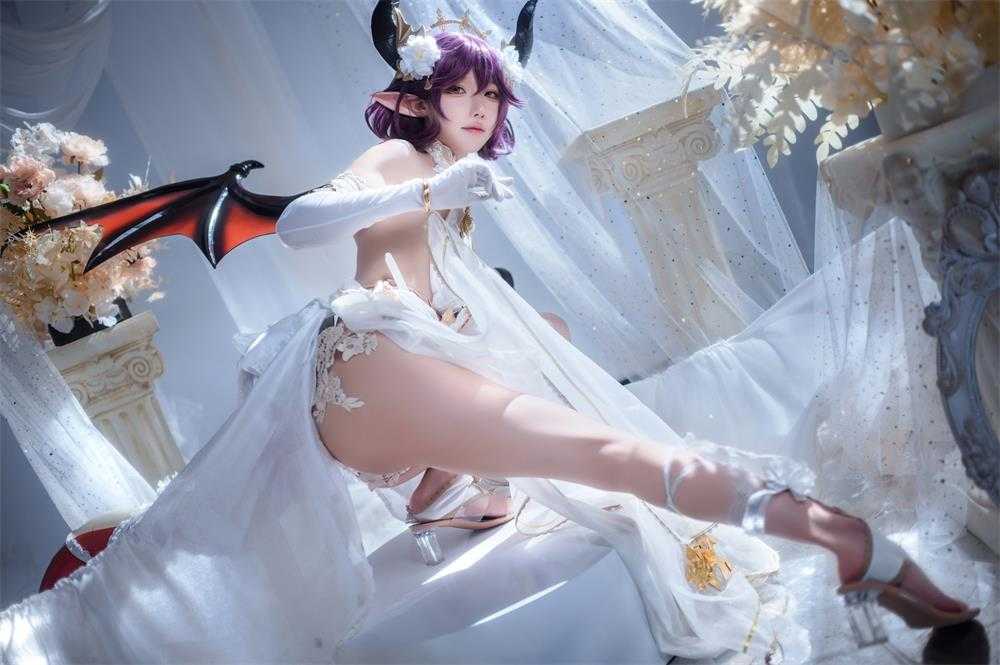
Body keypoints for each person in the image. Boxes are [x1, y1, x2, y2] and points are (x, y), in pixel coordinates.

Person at [0, 1, 979, 662]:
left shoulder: (446, 183)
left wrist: (469, 257)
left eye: (490, 94)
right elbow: (295, 222)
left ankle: (457, 492)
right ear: (420, 96)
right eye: (459, 90)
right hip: (367, 359)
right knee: (612, 455)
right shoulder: (399, 160)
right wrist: (432, 189)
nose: (476, 108)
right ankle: (855, 547)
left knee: (567, 402)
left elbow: (448, 292)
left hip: (387, 377)